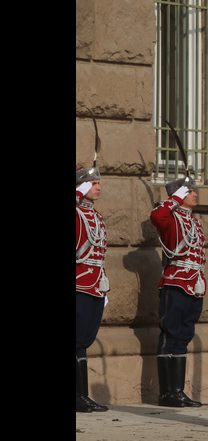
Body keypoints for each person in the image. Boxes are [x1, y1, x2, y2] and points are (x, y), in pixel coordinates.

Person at [150, 175, 205, 407]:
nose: (194, 193)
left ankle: (178, 391)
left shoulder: (194, 221)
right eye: (189, 191)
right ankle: (167, 393)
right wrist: (173, 199)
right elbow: (156, 216)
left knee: (184, 335)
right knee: (171, 333)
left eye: (193, 190)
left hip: (194, 283)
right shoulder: (171, 218)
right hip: (176, 281)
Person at [76, 167, 109, 413]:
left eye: (98, 183)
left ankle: (81, 395)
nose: (98, 187)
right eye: (93, 183)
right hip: (79, 284)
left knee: (84, 340)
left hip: (95, 284)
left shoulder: (95, 216)